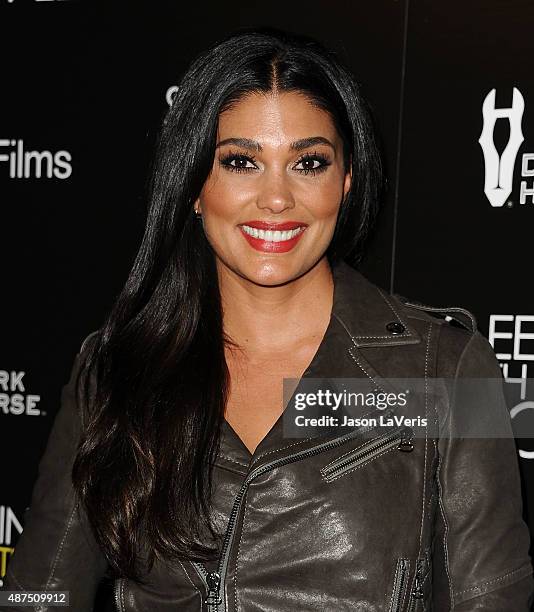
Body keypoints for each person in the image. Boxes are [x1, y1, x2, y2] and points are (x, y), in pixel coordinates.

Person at [2, 27, 533, 612]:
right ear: (195, 187)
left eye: (307, 162)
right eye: (241, 162)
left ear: (346, 182)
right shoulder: (117, 370)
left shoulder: (449, 370)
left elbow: (493, 599)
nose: (276, 198)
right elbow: (38, 593)